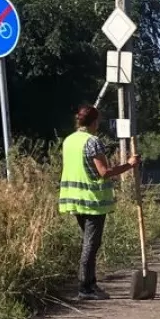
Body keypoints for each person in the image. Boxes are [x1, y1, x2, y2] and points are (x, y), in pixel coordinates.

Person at [57, 105, 138, 300]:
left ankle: (90, 284)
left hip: (74, 199)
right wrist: (129, 164)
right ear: (94, 122)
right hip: (92, 201)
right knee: (91, 244)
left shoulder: (68, 140)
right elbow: (104, 172)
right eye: (98, 122)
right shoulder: (92, 142)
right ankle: (86, 287)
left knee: (89, 242)